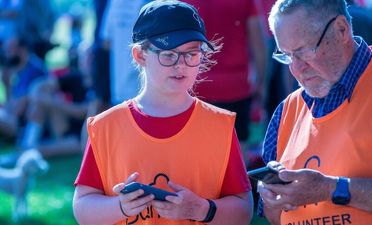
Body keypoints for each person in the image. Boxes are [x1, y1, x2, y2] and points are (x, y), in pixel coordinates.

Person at [73, 1, 253, 225]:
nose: (182, 65)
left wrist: (202, 210)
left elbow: (244, 211)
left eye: (192, 53)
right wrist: (120, 207)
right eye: (169, 55)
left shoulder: (219, 125)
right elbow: (82, 208)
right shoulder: (106, 126)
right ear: (140, 56)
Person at [257, 0, 372, 225]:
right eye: (287, 56)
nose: (296, 68)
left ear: (341, 30)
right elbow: (274, 217)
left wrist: (329, 189)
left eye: (304, 52)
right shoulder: (286, 110)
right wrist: (272, 199)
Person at [183, 0, 268, 145]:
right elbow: (258, 44)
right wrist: (261, 83)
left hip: (196, 86)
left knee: (197, 150)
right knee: (238, 151)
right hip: (236, 87)